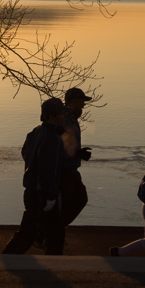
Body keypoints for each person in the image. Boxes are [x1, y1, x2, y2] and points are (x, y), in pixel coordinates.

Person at [2, 98, 68, 255]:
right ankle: (5, 258)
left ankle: (53, 263)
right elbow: (48, 169)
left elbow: (26, 153)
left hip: (33, 191)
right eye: (60, 115)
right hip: (42, 195)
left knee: (53, 232)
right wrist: (51, 196)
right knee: (30, 233)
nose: (64, 118)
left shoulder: (35, 132)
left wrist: (32, 170)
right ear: (50, 117)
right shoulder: (52, 138)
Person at [60, 87, 93, 226]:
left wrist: (78, 153)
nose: (84, 105)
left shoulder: (71, 117)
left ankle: (53, 232)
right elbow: (60, 145)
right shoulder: (66, 119)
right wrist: (77, 154)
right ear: (72, 101)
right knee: (77, 200)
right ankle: (49, 233)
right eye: (81, 101)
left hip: (70, 169)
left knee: (74, 201)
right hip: (65, 170)